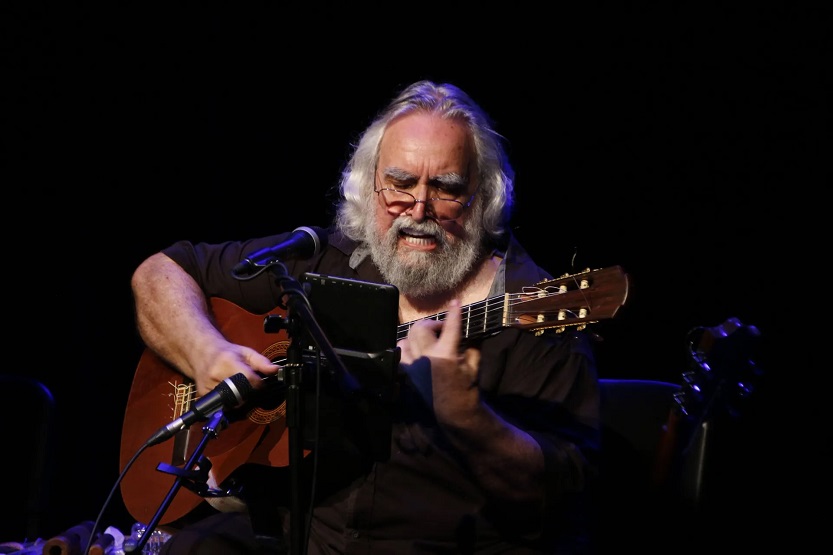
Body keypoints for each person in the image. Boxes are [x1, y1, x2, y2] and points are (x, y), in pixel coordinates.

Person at [130, 80, 601, 554]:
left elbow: (559, 500)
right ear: (369, 185)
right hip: (295, 534)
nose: (418, 209)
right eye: (399, 184)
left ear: (482, 196)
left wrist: (467, 417)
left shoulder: (536, 310)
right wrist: (205, 351)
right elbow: (162, 271)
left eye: (446, 188)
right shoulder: (326, 259)